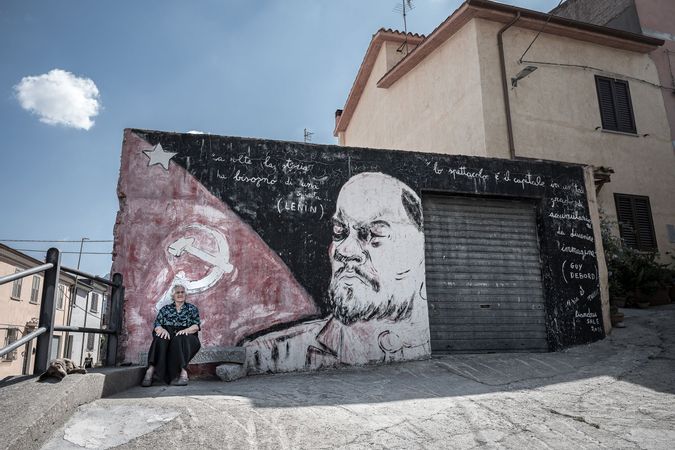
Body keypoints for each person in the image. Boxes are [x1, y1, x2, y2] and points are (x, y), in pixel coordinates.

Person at [244, 172, 430, 373]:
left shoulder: (432, 341)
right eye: (340, 231)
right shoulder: (268, 355)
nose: (344, 250)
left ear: (417, 253)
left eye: (374, 234)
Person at [141, 284, 201, 386]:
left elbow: (196, 326)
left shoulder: (192, 308)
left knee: (180, 339)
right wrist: (161, 329)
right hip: (168, 332)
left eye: (182, 292)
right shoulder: (165, 309)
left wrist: (186, 330)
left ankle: (183, 372)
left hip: (188, 335)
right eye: (178, 292)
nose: (180, 294)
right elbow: (157, 324)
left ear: (185, 295)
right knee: (160, 338)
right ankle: (150, 370)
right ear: (173, 296)